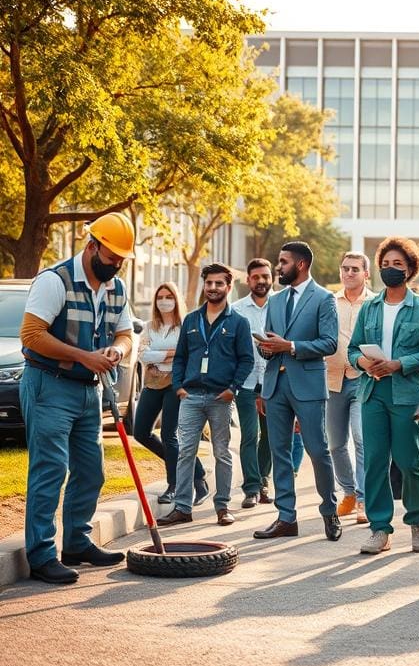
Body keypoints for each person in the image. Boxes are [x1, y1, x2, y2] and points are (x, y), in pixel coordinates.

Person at [20, 213, 136, 584]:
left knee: (91, 470)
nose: (116, 264)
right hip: (49, 386)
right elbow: (31, 335)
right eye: (111, 256)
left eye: (121, 259)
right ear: (92, 246)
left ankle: (77, 542)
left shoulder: (116, 288)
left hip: (90, 391)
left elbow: (127, 333)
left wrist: (117, 350)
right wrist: (84, 356)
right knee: (51, 470)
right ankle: (41, 555)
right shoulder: (54, 281)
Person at [347, 237, 419, 554]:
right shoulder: (370, 306)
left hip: (407, 392)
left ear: (410, 269)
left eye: (397, 264)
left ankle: (417, 521)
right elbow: (351, 348)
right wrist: (362, 362)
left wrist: (399, 364)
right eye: (385, 264)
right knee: (374, 461)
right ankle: (380, 528)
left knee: (409, 460)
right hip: (372, 391)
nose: (390, 269)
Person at [254, 241, 342, 542]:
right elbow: (270, 343)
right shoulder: (275, 301)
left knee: (317, 450)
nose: (278, 267)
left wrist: (289, 346)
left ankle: (329, 510)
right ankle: (286, 518)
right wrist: (266, 348)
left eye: (283, 261)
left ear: (301, 264)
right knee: (279, 452)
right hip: (275, 386)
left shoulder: (324, 299)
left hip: (308, 385)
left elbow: (329, 344)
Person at [158, 263, 253, 528]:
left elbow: (246, 360)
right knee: (186, 451)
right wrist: (178, 386)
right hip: (191, 397)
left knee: (222, 452)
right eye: (209, 283)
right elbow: (180, 358)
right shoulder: (191, 320)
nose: (213, 288)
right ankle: (183, 508)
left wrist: (232, 389)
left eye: (218, 283)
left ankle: (222, 507)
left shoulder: (239, 323)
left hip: (220, 398)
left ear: (228, 286)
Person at [133, 282, 206, 505]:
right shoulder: (149, 326)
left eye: (169, 296)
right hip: (153, 382)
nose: (164, 300)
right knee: (140, 432)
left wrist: (162, 356)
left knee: (169, 435)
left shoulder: (186, 325)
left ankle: (174, 485)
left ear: (176, 299)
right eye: (160, 297)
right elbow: (143, 354)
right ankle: (197, 473)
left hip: (177, 384)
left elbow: (192, 354)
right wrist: (173, 354)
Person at [327, 251, 375, 524]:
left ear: (366, 274)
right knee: (335, 443)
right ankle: (346, 491)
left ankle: (363, 499)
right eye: (345, 268)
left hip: (363, 379)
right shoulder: (329, 302)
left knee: (361, 438)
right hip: (332, 379)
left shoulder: (375, 303)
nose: (348, 273)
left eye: (355, 269)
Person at [232, 259, 274, 509]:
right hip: (246, 383)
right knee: (250, 434)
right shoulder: (236, 310)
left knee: (269, 435)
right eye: (256, 277)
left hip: (273, 382)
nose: (261, 281)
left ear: (272, 279)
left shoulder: (281, 306)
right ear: (248, 280)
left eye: (265, 276)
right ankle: (250, 488)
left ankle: (263, 481)